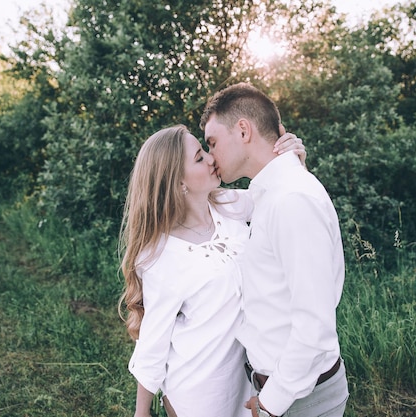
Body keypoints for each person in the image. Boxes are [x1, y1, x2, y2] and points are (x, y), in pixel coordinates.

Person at [119, 124, 305, 417]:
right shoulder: (160, 256)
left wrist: (292, 161)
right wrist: (141, 413)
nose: (211, 158)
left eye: (205, 150)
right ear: (178, 182)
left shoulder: (228, 205)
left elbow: (282, 195)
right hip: (197, 393)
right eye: (198, 157)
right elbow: (153, 344)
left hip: (245, 381)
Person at [199, 82, 349, 417]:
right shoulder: (269, 193)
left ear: (243, 130)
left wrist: (271, 404)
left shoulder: (291, 200)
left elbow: (314, 326)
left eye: (212, 143)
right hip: (277, 390)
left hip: (298, 400)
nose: (210, 156)